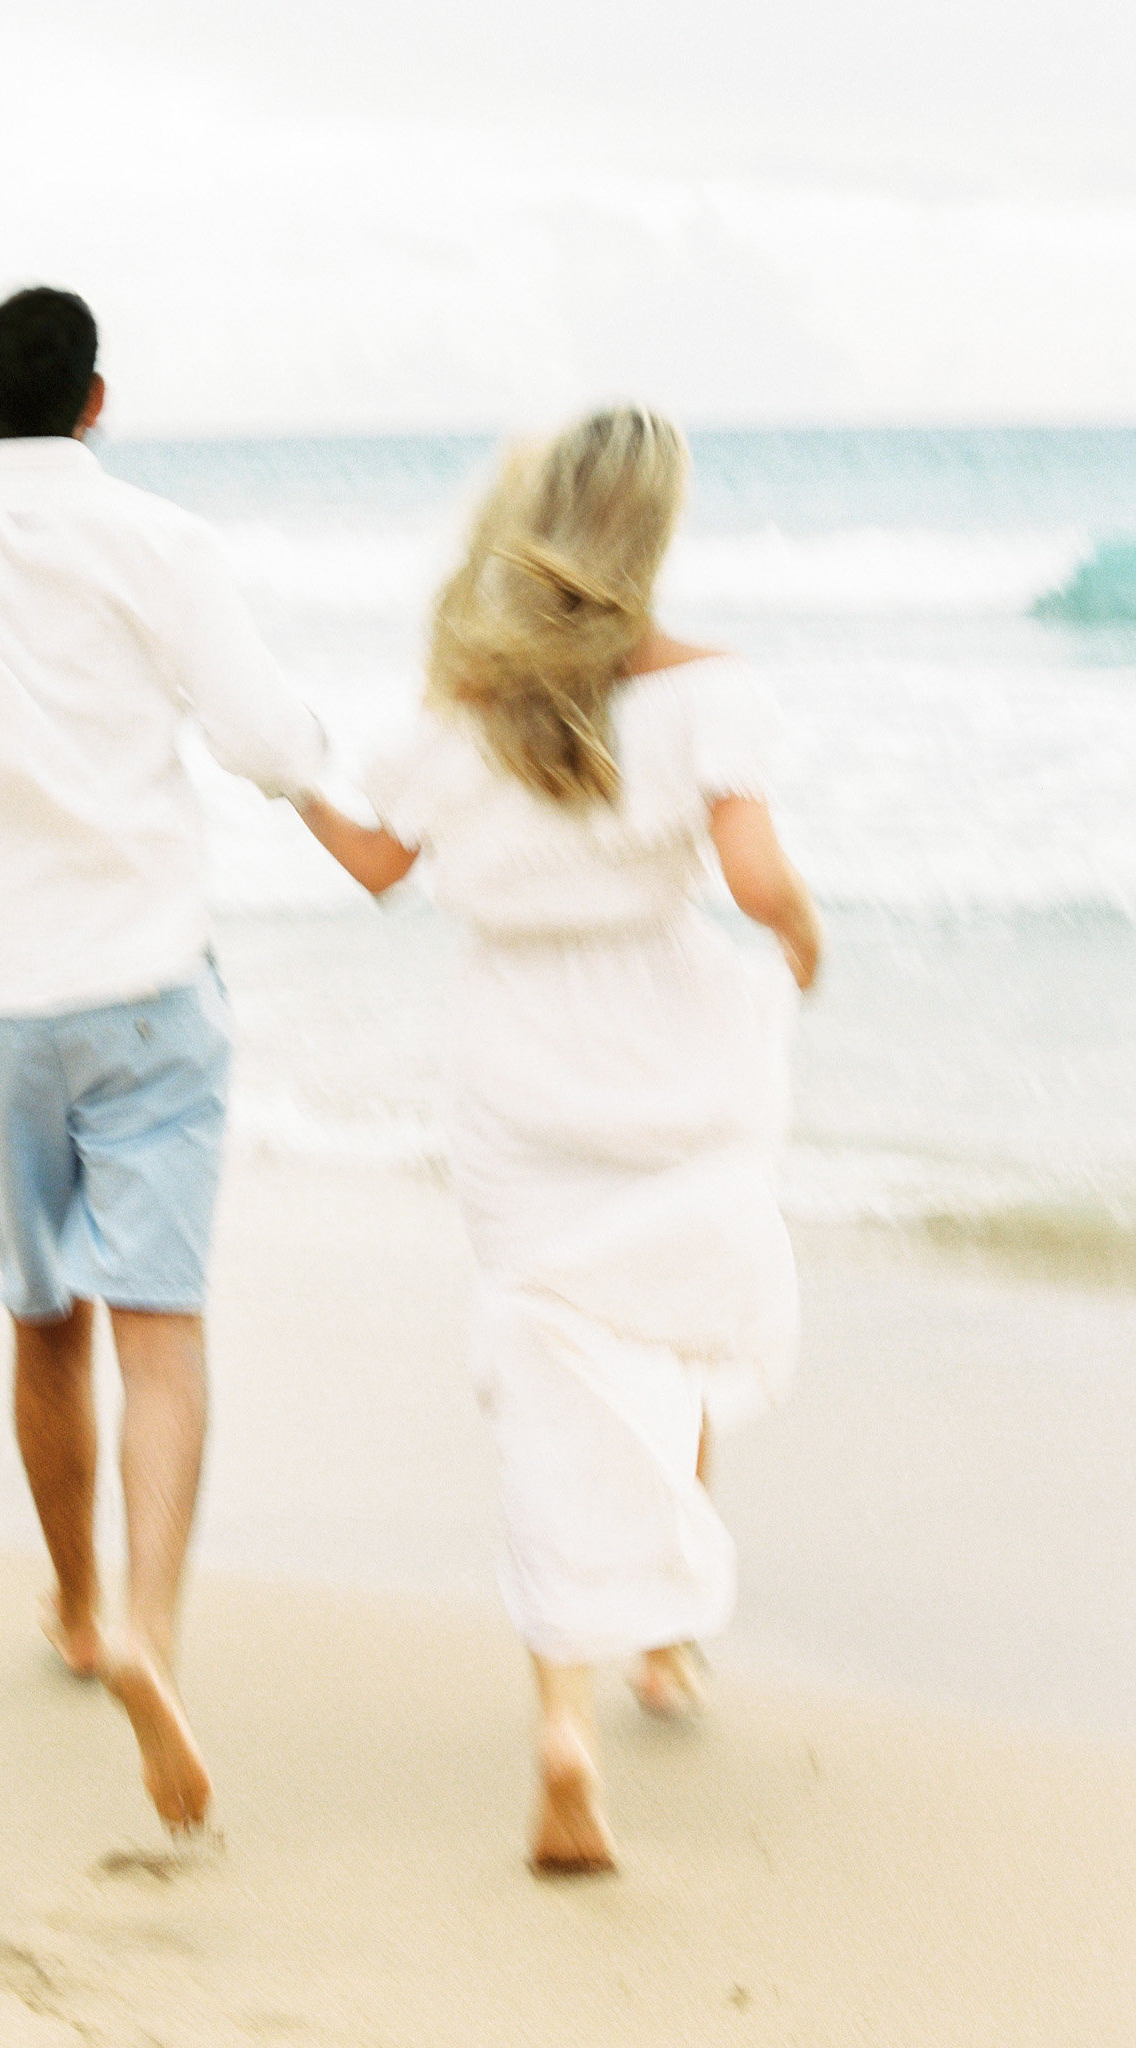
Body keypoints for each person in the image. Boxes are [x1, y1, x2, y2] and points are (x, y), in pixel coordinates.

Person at [0, 286, 325, 1835]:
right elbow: (274, 747)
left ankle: (78, 1605)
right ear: (100, 401)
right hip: (151, 981)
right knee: (161, 1330)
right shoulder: (167, 545)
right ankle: (152, 1638)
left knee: (45, 1320)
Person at [293, 409, 820, 1874]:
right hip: (673, 1045)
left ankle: (564, 1723)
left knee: (544, 1361)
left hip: (516, 1067)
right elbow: (755, 871)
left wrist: (286, 773)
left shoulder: (463, 705)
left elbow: (374, 866)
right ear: (654, 529)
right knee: (674, 1323)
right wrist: (802, 940)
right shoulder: (712, 690)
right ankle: (663, 1642)